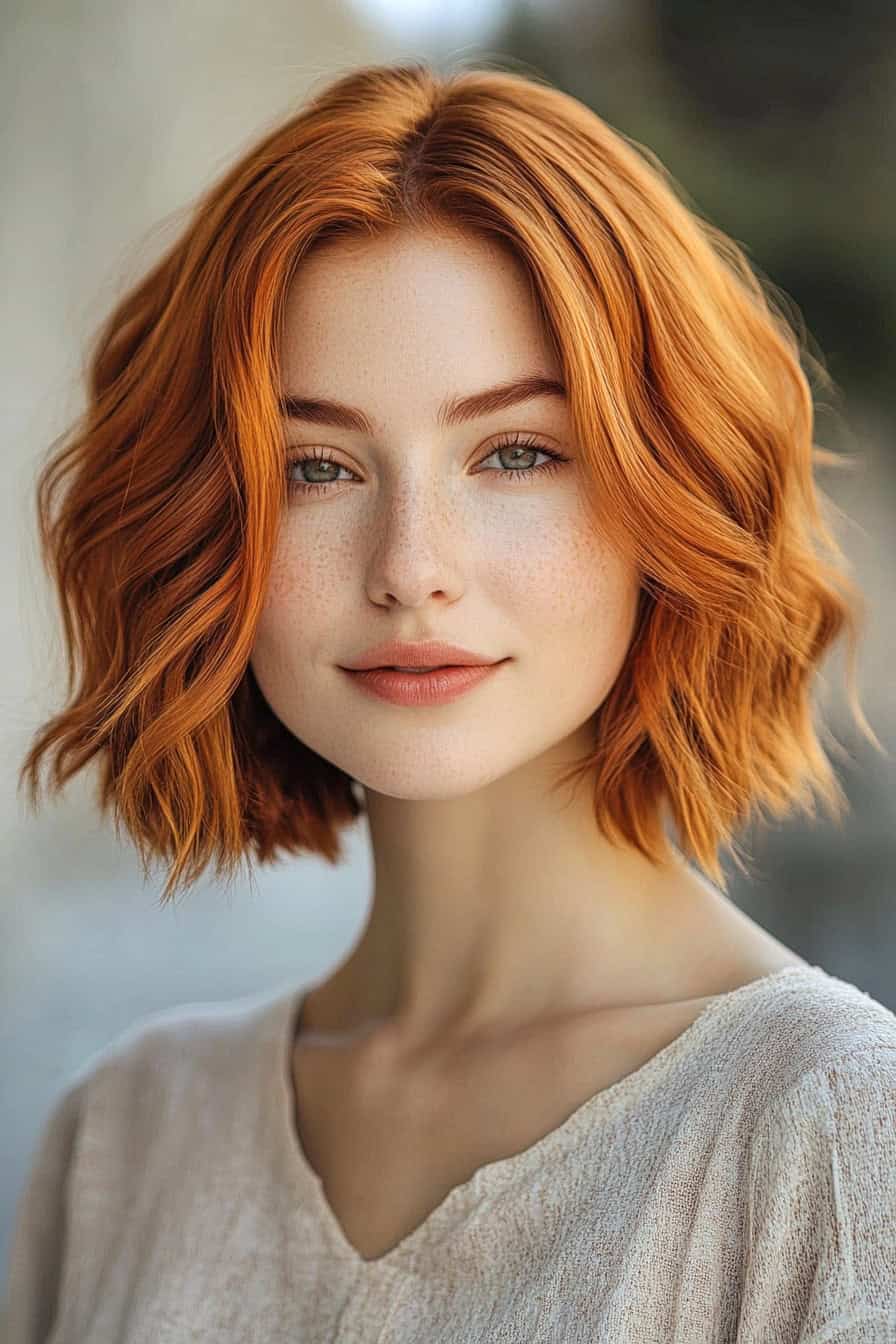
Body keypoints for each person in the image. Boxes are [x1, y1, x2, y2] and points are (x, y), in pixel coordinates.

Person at [5, 59, 895, 1343]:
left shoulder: (835, 1134)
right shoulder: (124, 1136)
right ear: (205, 533)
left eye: (516, 452)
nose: (409, 567)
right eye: (314, 466)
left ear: (670, 495)